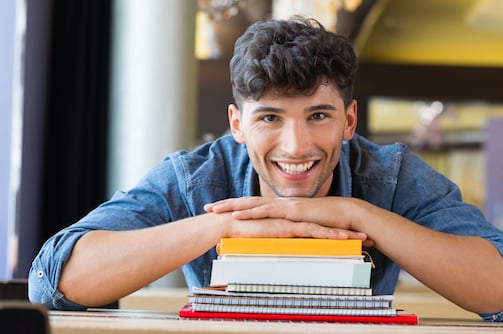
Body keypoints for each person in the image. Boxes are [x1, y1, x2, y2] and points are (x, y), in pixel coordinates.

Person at [29, 17, 503, 321]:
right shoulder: (198, 177)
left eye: (318, 116)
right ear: (237, 124)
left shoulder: (392, 176)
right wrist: (224, 223)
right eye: (270, 118)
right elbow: (55, 281)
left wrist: (360, 215)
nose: (296, 146)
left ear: (349, 120)